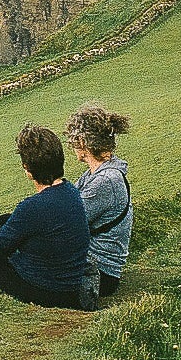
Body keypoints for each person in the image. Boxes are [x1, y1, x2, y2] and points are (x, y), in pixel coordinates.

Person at [0, 123, 99, 309]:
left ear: (27, 169)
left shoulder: (32, 207)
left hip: (44, 292)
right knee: (4, 221)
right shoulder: (71, 191)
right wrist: (3, 237)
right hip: (70, 288)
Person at [65, 103, 133, 297]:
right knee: (6, 222)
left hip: (99, 273)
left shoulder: (105, 180)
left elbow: (68, 221)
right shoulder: (95, 174)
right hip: (93, 264)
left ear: (83, 142)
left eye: (73, 139)